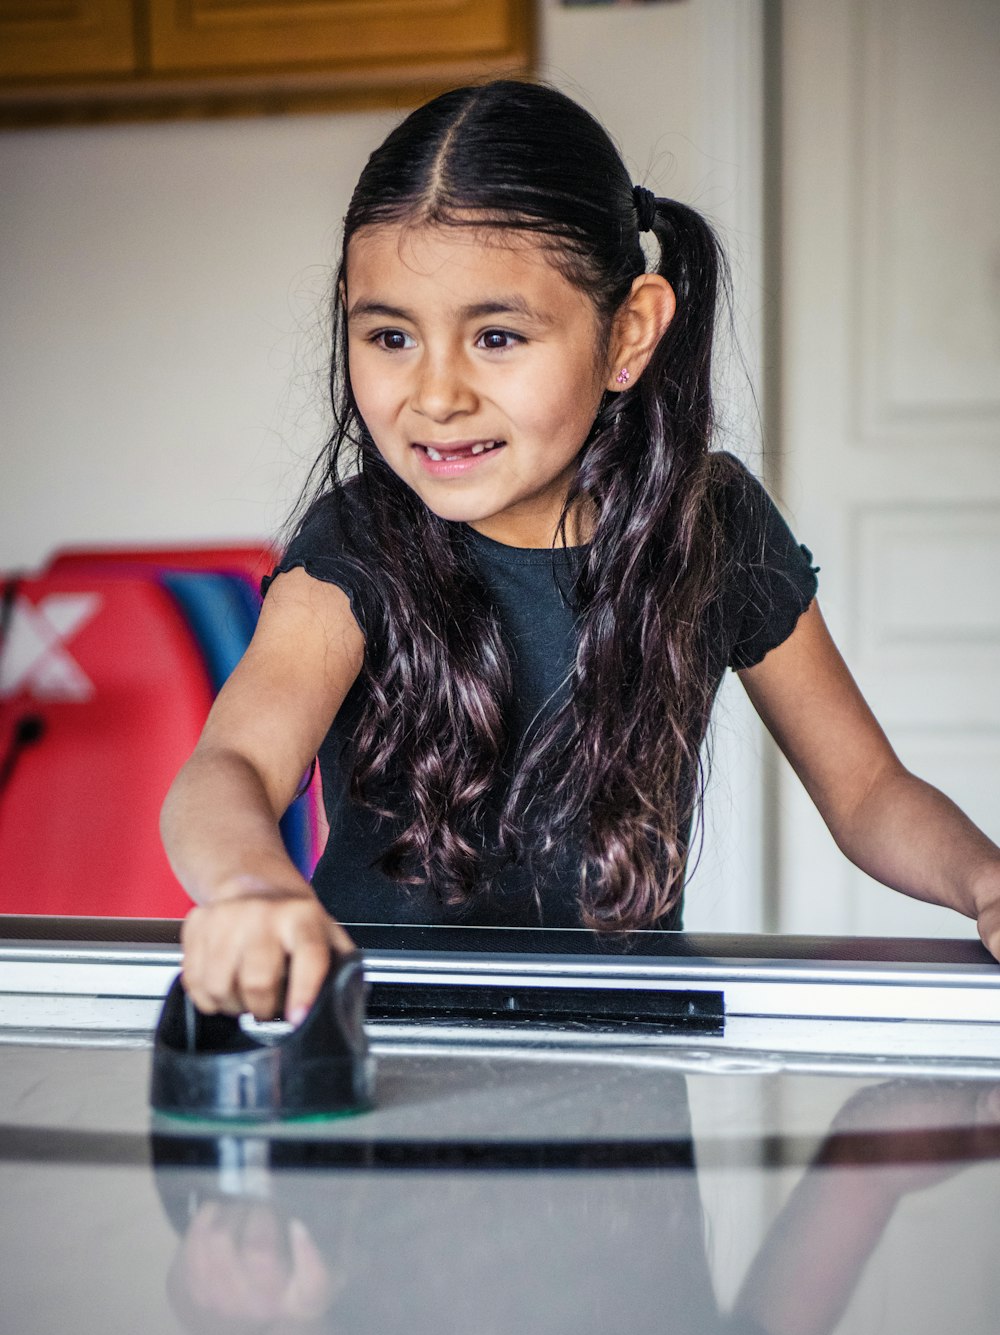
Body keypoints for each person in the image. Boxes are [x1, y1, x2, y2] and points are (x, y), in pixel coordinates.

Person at [161, 80, 1000, 1024]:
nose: (435, 394)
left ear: (627, 335)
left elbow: (870, 791)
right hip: (384, 1084)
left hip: (628, 1096)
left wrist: (984, 881)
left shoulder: (714, 526)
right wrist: (251, 889)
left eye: (497, 336)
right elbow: (228, 768)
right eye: (391, 336)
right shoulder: (354, 545)